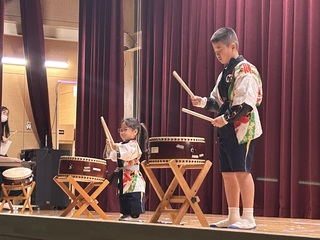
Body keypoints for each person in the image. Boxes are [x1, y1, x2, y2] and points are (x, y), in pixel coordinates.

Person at [191, 27, 263, 230]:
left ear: (233, 46)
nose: (217, 55)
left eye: (220, 50)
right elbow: (218, 101)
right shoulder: (225, 72)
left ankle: (248, 217)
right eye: (215, 51)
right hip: (227, 129)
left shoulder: (246, 69)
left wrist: (224, 118)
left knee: (242, 171)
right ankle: (233, 215)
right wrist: (203, 102)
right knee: (228, 173)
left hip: (243, 128)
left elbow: (246, 104)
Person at [104, 117, 148, 221]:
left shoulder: (134, 145)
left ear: (134, 131)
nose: (122, 132)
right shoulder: (121, 145)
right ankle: (126, 214)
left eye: (125, 129)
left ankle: (134, 215)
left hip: (133, 176)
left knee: (133, 196)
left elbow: (127, 155)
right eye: (121, 130)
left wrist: (114, 147)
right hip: (123, 176)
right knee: (124, 196)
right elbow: (113, 156)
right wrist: (110, 148)